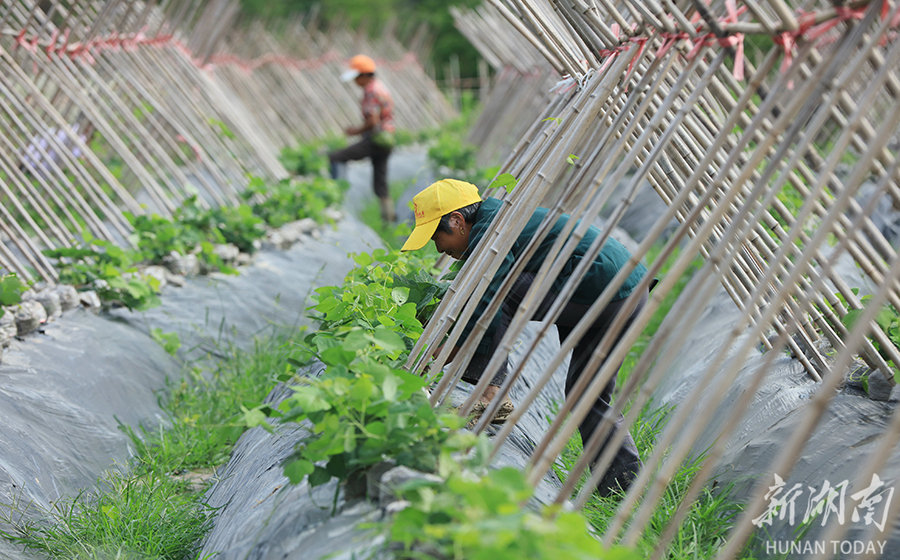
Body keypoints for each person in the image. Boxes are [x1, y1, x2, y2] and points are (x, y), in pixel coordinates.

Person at [401, 178, 650, 496]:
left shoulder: (492, 231)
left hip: (602, 288)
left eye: (437, 237)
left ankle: (491, 393)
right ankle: (624, 488)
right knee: (585, 392)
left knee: (497, 294)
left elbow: (492, 297)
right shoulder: (498, 219)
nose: (439, 249)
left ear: (457, 221)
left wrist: (452, 349)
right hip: (625, 289)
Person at [329, 54, 396, 224]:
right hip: (388, 138)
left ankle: (337, 200)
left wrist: (355, 131)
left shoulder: (370, 92)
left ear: (365, 75)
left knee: (336, 157)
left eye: (357, 77)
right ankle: (389, 218)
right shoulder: (381, 88)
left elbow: (372, 121)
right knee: (380, 181)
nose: (355, 82)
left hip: (376, 138)